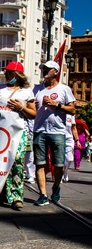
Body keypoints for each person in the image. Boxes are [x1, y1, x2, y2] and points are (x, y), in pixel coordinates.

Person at [0, 61, 36, 210]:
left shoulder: (27, 92)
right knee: (1, 161)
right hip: (2, 131)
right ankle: (2, 193)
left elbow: (33, 114)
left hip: (19, 131)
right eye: (6, 72)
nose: (6, 74)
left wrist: (21, 107)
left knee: (17, 161)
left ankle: (17, 195)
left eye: (9, 72)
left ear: (17, 75)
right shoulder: (1, 90)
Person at [33, 61, 76, 206]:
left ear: (55, 72)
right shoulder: (37, 89)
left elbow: (72, 110)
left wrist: (55, 104)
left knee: (58, 164)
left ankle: (56, 186)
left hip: (58, 131)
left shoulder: (64, 89)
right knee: (40, 164)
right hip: (39, 130)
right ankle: (43, 195)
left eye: (47, 69)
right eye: (42, 68)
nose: (43, 70)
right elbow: (31, 107)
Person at [62, 115, 79, 182]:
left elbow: (74, 128)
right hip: (58, 138)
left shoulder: (71, 114)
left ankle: (65, 172)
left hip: (69, 139)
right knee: (59, 158)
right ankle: (60, 175)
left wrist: (77, 140)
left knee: (69, 159)